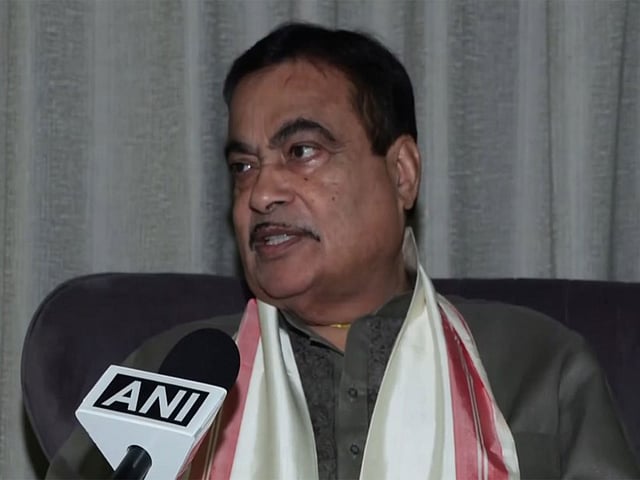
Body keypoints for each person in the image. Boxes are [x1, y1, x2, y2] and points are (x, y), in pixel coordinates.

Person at [46, 22, 639, 480]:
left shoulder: (537, 366)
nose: (261, 193)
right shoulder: (171, 372)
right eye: (244, 166)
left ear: (401, 173)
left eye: (302, 151)